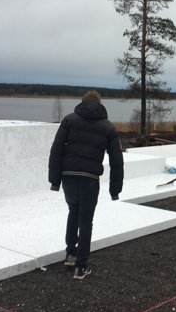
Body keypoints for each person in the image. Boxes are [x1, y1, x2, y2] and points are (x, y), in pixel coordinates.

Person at [48, 90, 124, 280]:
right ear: (100, 104)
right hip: (90, 179)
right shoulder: (108, 127)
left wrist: (55, 181)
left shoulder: (69, 120)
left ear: (82, 103)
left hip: (69, 177)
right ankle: (81, 267)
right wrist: (115, 190)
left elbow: (56, 151)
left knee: (73, 211)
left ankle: (71, 254)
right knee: (85, 220)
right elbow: (117, 160)